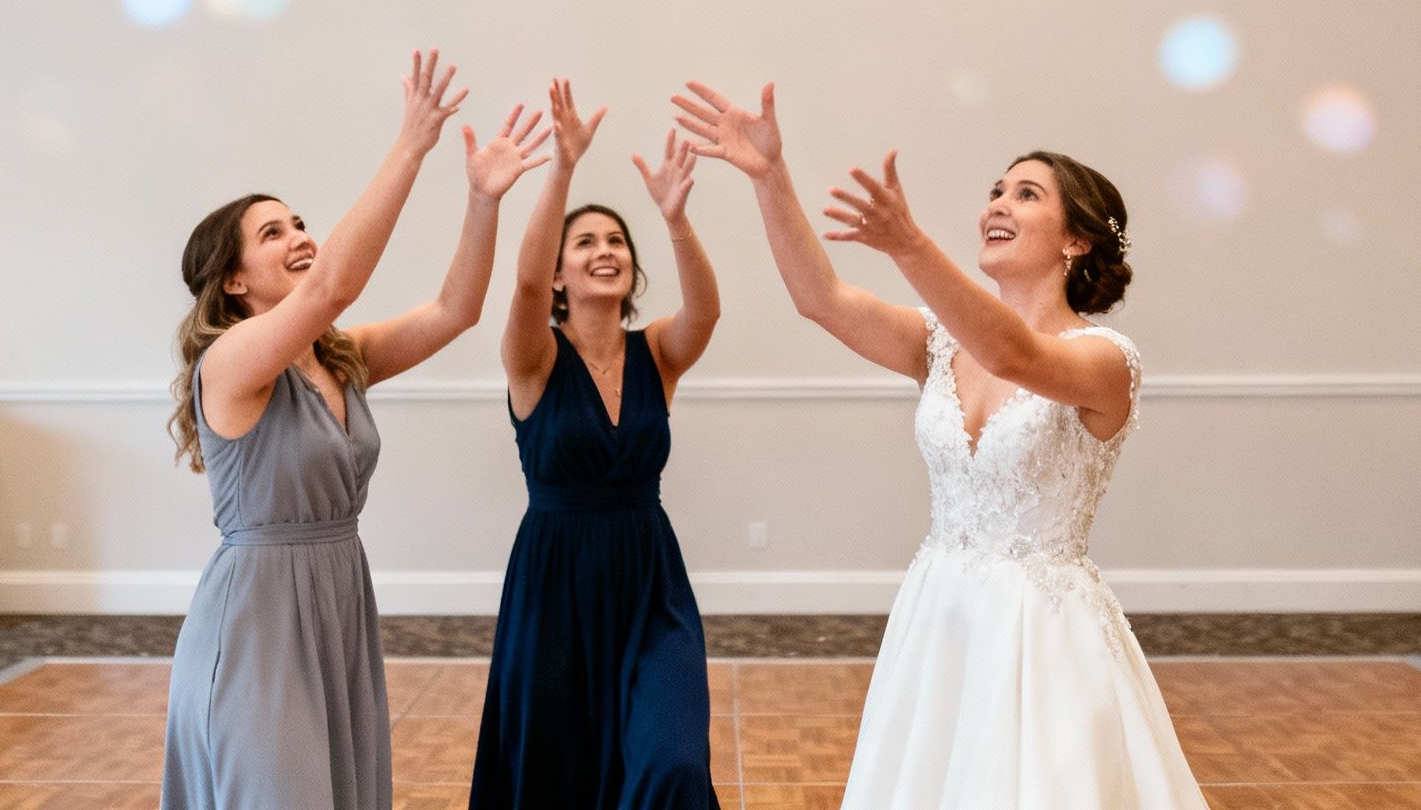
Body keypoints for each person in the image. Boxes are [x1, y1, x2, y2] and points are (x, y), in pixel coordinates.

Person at [674, 81, 1207, 808]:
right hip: (939, 614)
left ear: (1075, 240)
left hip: (1042, 634)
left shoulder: (1106, 359)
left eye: (1025, 195)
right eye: (996, 190)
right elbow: (820, 298)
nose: (997, 204)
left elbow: (1018, 356)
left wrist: (910, 245)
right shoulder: (940, 344)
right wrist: (770, 177)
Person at [161, 51, 549, 809]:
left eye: (301, 222)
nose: (300, 236)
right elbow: (338, 280)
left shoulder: (340, 358)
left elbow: (454, 312)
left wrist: (481, 200)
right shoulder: (232, 362)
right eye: (274, 233)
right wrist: (411, 145)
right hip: (257, 621)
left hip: (338, 597)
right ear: (233, 280)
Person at [470, 79, 723, 809]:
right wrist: (561, 171)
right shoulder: (534, 358)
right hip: (554, 586)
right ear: (559, 275)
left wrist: (675, 220)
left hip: (650, 582)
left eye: (616, 242)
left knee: (671, 759)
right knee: (560, 771)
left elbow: (705, 312)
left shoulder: (658, 354)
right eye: (586, 243)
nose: (604, 251)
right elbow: (517, 287)